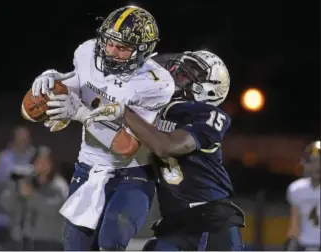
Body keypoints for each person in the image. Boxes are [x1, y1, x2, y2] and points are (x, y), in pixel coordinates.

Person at [31, 5, 175, 250]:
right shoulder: (87, 51)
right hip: (88, 169)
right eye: (109, 43)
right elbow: (82, 83)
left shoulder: (154, 83)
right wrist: (57, 80)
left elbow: (127, 146)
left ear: (143, 51)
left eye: (123, 48)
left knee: (110, 242)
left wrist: (80, 112)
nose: (112, 51)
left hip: (133, 174)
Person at [84, 50, 245, 250]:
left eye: (194, 71)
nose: (180, 72)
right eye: (184, 66)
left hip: (210, 222)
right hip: (174, 225)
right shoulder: (157, 109)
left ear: (210, 90)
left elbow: (166, 147)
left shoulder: (208, 115)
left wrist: (124, 112)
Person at [1, 146, 68, 251]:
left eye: (46, 161)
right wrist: (14, 188)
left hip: (49, 241)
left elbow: (53, 209)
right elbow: (7, 205)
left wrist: (32, 196)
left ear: (53, 164)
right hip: (22, 240)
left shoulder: (59, 185)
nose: (41, 165)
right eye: (38, 161)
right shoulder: (27, 181)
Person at [0, 126, 35, 247]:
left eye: (26, 138)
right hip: (3, 217)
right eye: (20, 138)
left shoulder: (34, 156)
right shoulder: (4, 157)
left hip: (26, 218)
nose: (23, 141)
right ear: (14, 140)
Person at [285, 140, 320, 251]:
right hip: (303, 246)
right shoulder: (297, 189)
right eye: (314, 161)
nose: (318, 166)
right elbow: (295, 225)